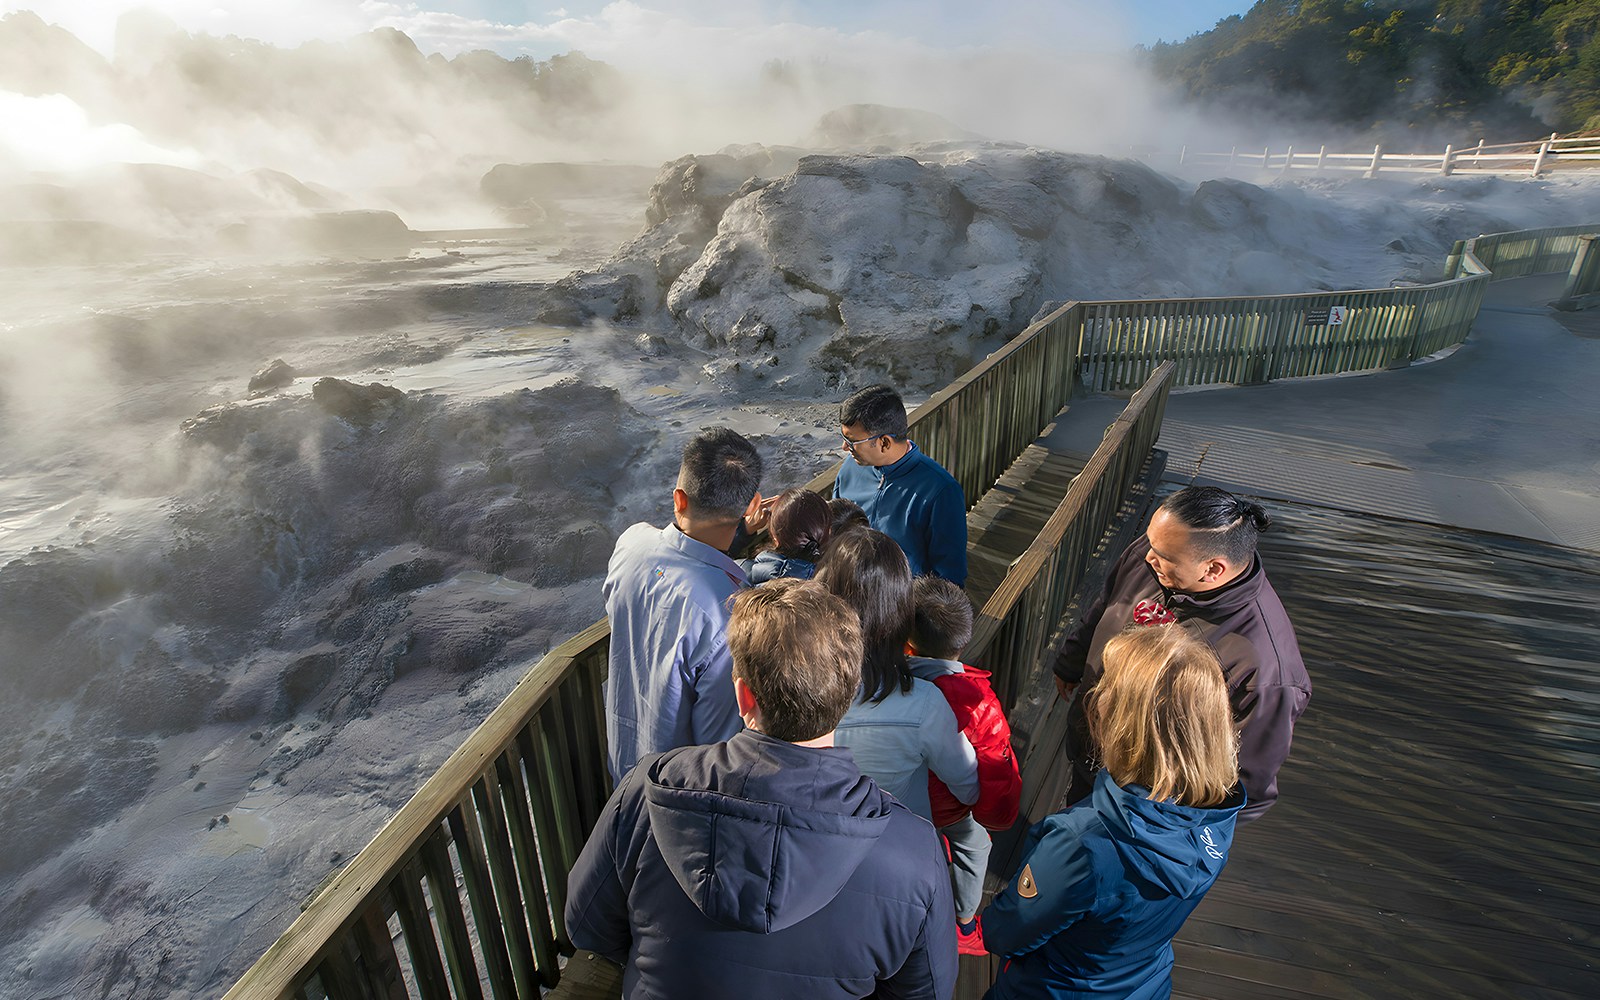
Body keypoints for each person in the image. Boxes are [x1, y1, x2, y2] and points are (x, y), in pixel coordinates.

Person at [562, 579, 959, 1000]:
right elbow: (926, 992)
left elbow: (586, 924)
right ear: (847, 695)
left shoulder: (648, 790)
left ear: (743, 695)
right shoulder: (912, 851)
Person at [984, 624, 1245, 1000]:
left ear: (1126, 724)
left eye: (1109, 687)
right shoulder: (1218, 814)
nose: (1098, 695)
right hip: (1141, 985)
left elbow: (1004, 931)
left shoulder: (1082, 844)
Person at [1053, 486, 1311, 822]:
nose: (1147, 556)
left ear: (1213, 570)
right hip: (1091, 759)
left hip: (1149, 810)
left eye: (1163, 555)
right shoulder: (1156, 553)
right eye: (1150, 542)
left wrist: (1167, 829)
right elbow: (1106, 606)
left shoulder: (1267, 671)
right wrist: (1072, 661)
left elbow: (1248, 787)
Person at [601, 427, 761, 780]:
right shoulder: (732, 610)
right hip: (676, 797)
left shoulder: (630, 545)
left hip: (622, 767)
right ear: (752, 506)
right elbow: (717, 742)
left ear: (679, 499)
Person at [817, 528, 980, 825]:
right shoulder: (925, 703)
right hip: (900, 838)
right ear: (901, 609)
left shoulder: (797, 685)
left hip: (816, 845)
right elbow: (967, 784)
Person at [908, 576, 1022, 956]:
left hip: (903, 799)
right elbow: (994, 760)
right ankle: (964, 923)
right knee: (975, 846)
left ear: (907, 643)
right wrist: (996, 813)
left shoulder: (891, 678)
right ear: (964, 639)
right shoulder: (975, 698)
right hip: (951, 808)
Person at [833, 383, 968, 584]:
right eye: (844, 437)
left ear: (884, 442)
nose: (844, 447)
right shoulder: (850, 468)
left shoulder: (941, 491)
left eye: (851, 442)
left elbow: (949, 579)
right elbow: (833, 530)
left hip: (902, 606)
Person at [744, 488, 830, 583]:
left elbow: (725, 563)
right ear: (827, 532)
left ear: (775, 538)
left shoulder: (742, 575)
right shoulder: (840, 577)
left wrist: (743, 531)